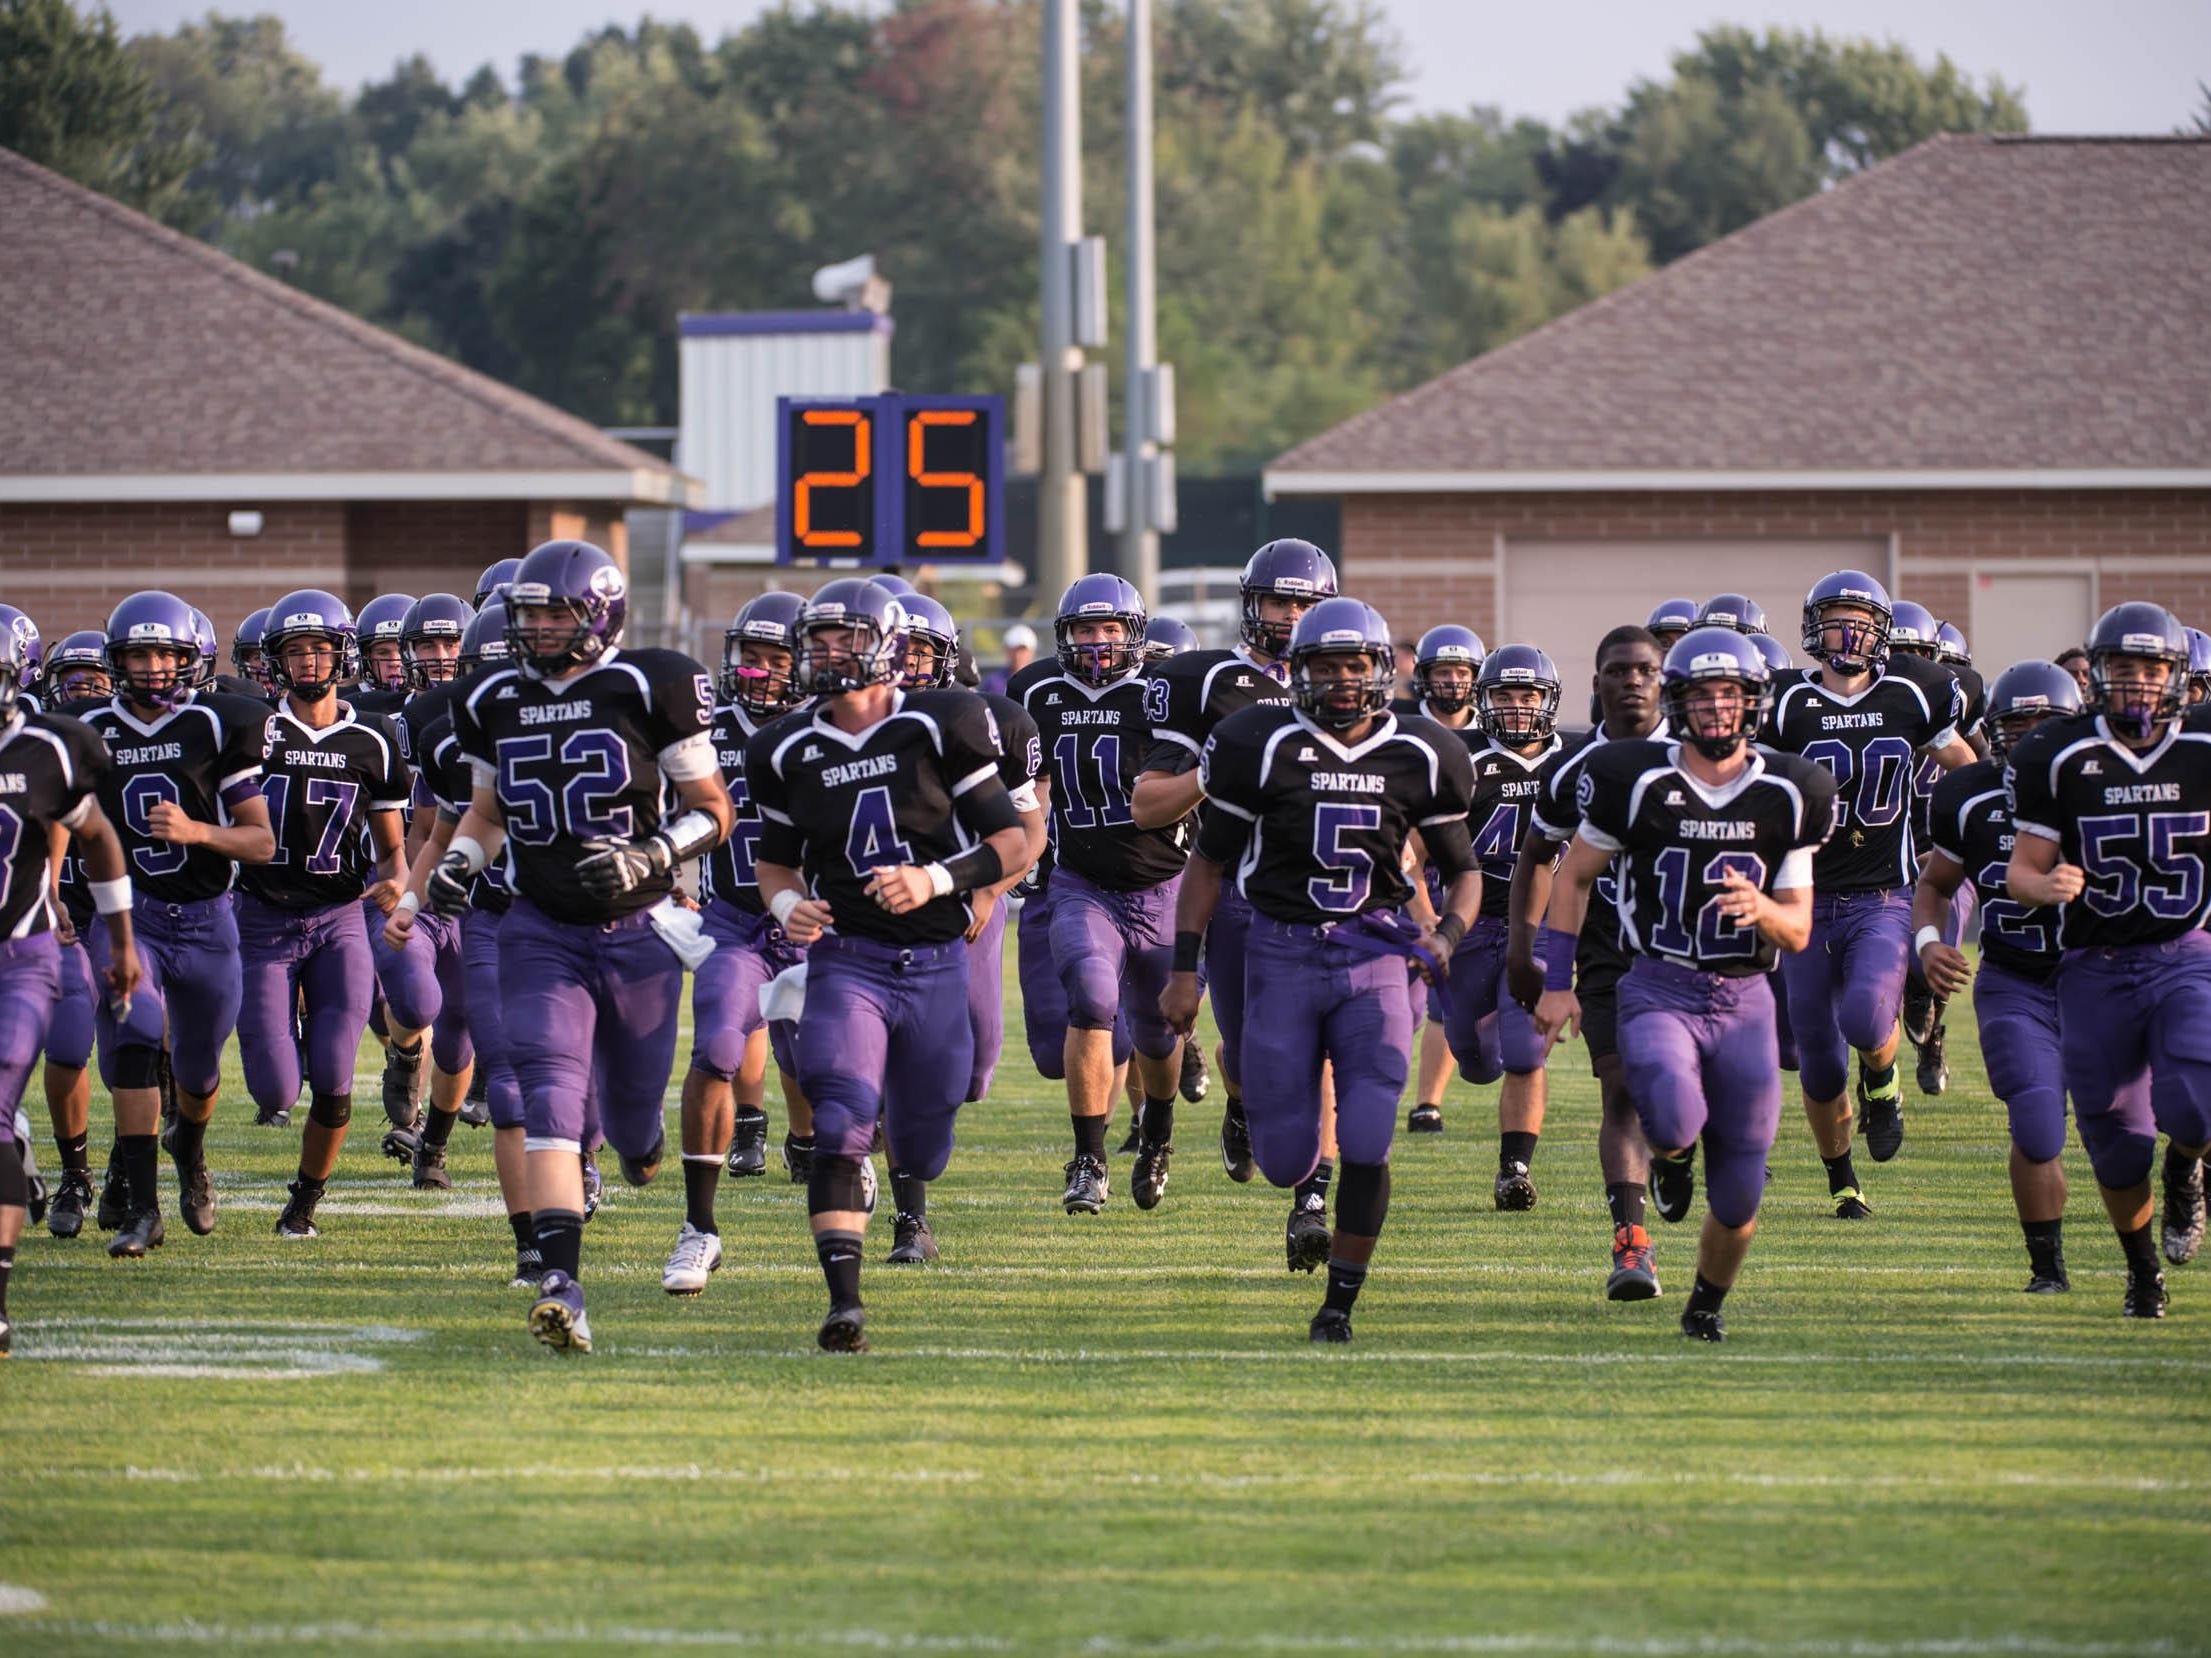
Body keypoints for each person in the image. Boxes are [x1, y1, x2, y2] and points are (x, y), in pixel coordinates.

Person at [429, 539, 731, 1352]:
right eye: (526, 612)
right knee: (548, 1095)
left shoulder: (650, 683)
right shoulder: (491, 695)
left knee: (634, 1124)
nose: (534, 627)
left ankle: (640, 1154)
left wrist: (655, 853)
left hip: (638, 932)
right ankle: (561, 1280)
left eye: (551, 612)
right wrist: (460, 861)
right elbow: (487, 810)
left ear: (598, 613)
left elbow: (713, 808)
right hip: (539, 929)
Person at [1163, 597, 1478, 1342]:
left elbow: (1463, 870)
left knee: (1368, 1134)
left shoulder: (1422, 750)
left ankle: (1339, 1301)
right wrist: (1184, 969)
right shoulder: (1255, 742)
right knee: (1282, 1158)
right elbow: (1206, 864)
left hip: (1372, 958)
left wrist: (1448, 935)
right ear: (1298, 672)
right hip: (1280, 952)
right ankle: (1295, 1182)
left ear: (1380, 669)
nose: (1341, 679)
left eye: (1355, 664)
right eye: (1325, 665)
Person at [748, 578, 1030, 1352]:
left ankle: (910, 1196)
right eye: (819, 640)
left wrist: (936, 879)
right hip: (849, 960)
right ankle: (844, 1301)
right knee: (839, 1117)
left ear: (885, 646)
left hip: (938, 959)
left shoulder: (942, 724)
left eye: (844, 639)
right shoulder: (783, 746)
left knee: (926, 1132)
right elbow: (775, 866)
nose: (826, 654)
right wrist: (785, 908)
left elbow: (1014, 842)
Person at [1535, 628, 1835, 1341]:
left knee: (1737, 1195)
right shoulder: (1632, 778)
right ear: (1677, 701)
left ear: (1752, 701)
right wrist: (1556, 978)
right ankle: (1670, 1162)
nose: (1715, 708)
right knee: (1669, 1119)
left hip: (1744, 1000)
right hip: (1656, 985)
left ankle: (1704, 1304)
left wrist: (1761, 908)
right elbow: (1571, 876)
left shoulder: (1790, 791)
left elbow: (1795, 930)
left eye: (1729, 693)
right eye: (1700, 695)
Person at [1133, 538, 1338, 1269]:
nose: (1289, 617)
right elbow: (1147, 805)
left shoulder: (1350, 683)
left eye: (1305, 604)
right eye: (1279, 601)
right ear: (1250, 604)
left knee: (1323, 1050)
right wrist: (1206, 776)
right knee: (1254, 1054)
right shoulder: (1203, 681)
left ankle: (1312, 1201)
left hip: (1323, 898)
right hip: (1236, 892)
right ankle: (1241, 1098)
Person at [2009, 603, 2211, 1317]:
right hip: (2092, 964)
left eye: (2149, 670)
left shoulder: (2203, 745)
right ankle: (2141, 1271)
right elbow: (2021, 869)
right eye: (2120, 670)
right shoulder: (2057, 754)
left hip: (2185, 953)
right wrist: (2045, 884)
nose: (2135, 684)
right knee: (2116, 1144)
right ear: (2094, 675)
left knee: (2195, 1100)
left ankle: (2185, 1170)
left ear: (2176, 677)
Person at [1760, 571, 1974, 1217]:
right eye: (1834, 619)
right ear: (1810, 628)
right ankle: (1842, 1179)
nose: (1847, 632)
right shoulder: (1782, 702)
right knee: (1818, 1062)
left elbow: (1966, 769)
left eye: (1860, 619)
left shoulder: (1916, 692)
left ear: (1883, 631)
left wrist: (1957, 843)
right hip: (1805, 898)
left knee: (1861, 1016)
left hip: (1882, 892)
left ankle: (1881, 1085)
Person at [80, 591, 275, 1256]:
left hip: (206, 919)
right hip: (127, 919)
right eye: (139, 653)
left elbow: (260, 842)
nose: (154, 666)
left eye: (166, 653)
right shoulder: (86, 731)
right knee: (133, 1045)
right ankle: (143, 1208)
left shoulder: (219, 726)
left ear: (192, 660)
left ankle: (188, 1150)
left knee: (196, 1073)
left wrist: (197, 830)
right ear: (118, 660)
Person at [236, 591, 412, 1239]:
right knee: (275, 1089)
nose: (308, 662)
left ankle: (304, 1202)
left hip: (338, 919)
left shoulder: (373, 740)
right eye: (294, 651)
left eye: (318, 648)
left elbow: (392, 851)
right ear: (275, 662)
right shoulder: (250, 730)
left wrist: (397, 888)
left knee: (335, 1078)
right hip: (261, 916)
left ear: (343, 654)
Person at [1012, 575, 1188, 1214]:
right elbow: (1028, 783)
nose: (1097, 642)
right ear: (1066, 635)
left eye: (1110, 629)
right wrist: (1024, 846)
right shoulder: (1034, 690)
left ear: (1134, 634)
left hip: (1161, 881)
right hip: (1080, 881)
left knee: (1159, 1029)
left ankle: (1158, 1135)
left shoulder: (1163, 692)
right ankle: (1087, 1159)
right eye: (1085, 630)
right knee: (1090, 999)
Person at [1507, 624, 1668, 1299]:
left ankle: (1680, 1154)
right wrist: (1526, 950)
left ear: (1662, 680)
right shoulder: (1570, 769)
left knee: (1685, 1100)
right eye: (1617, 671)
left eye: (1643, 670)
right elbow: (1538, 859)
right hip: (1604, 947)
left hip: (1686, 947)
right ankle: (1631, 1246)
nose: (1631, 681)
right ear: (1595, 683)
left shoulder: (1701, 754)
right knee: (1621, 1090)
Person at [1912, 660, 2083, 1292]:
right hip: (2017, 981)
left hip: (2104, 978)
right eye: (2020, 723)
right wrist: (1929, 942)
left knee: (2133, 1128)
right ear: (1995, 731)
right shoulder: (1968, 793)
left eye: (2048, 722)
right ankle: (2048, 1268)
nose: (2034, 735)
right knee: (2037, 1127)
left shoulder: (2099, 784)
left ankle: (2146, 1258)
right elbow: (1934, 885)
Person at [0, 623, 142, 1353]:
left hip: (24, 947)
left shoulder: (51, 748)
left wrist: (116, 938)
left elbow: (89, 835)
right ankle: (29, 1148)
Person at [665, 591, 810, 1294]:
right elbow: (666, 814)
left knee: (831, 1067)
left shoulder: (825, 729)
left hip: (817, 927)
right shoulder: (704, 729)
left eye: (773, 659)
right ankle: (699, 1228)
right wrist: (670, 879)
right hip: (734, 919)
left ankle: (857, 1169)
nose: (755, 672)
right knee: (719, 1046)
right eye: (747, 657)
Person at [1444, 645, 1566, 1209]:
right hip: (1470, 922)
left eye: (1528, 695)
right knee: (1471, 1057)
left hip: (1538, 927)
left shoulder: (1574, 763)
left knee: (1523, 1052)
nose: (1517, 708)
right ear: (1484, 700)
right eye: (1504, 696)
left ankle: (1514, 1168)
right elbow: (1414, 848)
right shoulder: (1459, 757)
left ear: (1548, 701)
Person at [1397, 624, 1484, 1132]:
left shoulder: (1493, 728)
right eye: (1443, 672)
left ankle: (1427, 1101)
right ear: (1423, 677)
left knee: (1440, 996)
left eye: (1461, 672)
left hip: (1463, 869)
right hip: (1396, 866)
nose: (1452, 681)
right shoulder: (1398, 723)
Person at [981, 622, 1037, 698]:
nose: (1018, 655)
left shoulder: (1040, 681)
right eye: (1014, 650)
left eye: (1022, 650)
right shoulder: (993, 683)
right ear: (1006, 650)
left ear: (1032, 651)